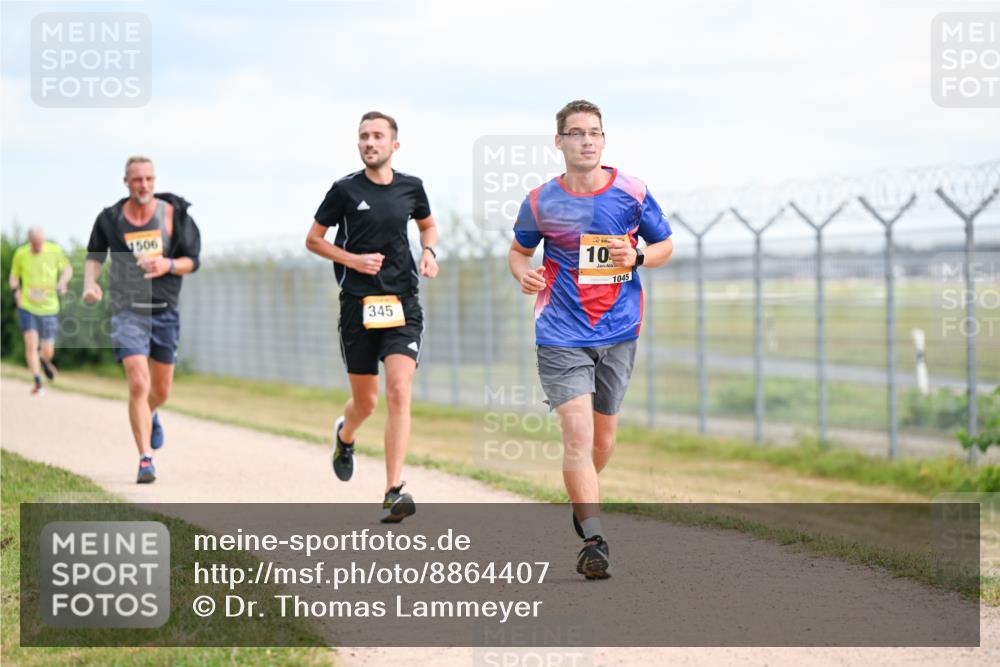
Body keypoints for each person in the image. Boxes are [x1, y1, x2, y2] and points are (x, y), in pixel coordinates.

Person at [508, 100, 674, 579]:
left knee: (603, 440)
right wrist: (525, 275)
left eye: (595, 133)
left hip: (619, 330)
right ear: (558, 141)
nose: (587, 140)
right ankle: (595, 540)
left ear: (604, 140)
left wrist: (638, 256)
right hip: (560, 330)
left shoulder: (632, 191)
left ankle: (583, 501)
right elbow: (518, 252)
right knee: (577, 434)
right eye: (577, 133)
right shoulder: (540, 200)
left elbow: (665, 246)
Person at [306, 111, 439, 523]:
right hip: (358, 308)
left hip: (402, 305)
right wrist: (353, 260)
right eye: (363, 136)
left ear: (393, 145)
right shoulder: (344, 190)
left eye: (377, 136)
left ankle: (392, 490)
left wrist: (430, 252)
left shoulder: (411, 187)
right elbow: (313, 240)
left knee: (399, 390)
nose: (369, 142)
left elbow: (428, 226)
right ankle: (345, 437)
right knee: (366, 402)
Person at [83, 156, 202, 483]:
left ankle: (151, 412)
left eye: (149, 178)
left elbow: (193, 260)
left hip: (164, 310)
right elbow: (95, 255)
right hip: (127, 309)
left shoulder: (173, 214)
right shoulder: (110, 219)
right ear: (126, 182)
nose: (145, 185)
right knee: (138, 381)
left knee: (160, 390)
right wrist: (90, 283)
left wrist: (168, 265)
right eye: (138, 180)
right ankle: (145, 459)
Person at [8, 228, 72, 395]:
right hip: (27, 307)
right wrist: (16, 291)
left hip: (50, 308)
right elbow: (14, 276)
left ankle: (43, 359)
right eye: (34, 244)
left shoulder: (54, 251)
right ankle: (38, 381)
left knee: (48, 351)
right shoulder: (20, 254)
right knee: (30, 344)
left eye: (40, 243)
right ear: (29, 241)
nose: (37, 247)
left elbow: (68, 269)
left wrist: (63, 283)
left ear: (43, 240)